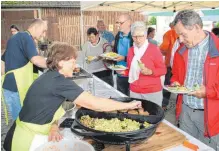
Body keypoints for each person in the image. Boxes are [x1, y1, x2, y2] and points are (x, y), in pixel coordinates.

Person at [3, 42, 142, 151]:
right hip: (26, 141)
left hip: (27, 133)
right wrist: (129, 105)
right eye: (73, 62)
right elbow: (95, 104)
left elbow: (46, 110)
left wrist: (54, 126)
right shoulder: (58, 81)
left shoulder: (51, 76)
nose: (75, 66)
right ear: (61, 62)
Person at [171, 10, 219, 151]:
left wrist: (208, 92)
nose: (181, 39)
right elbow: (176, 75)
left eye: (183, 34)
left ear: (197, 27)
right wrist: (175, 82)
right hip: (186, 111)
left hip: (211, 115)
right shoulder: (182, 49)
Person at [1, 19, 47, 121]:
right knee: (21, 122)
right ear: (36, 27)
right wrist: (55, 64)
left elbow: (2, 61)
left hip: (10, 87)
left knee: (19, 119)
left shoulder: (15, 38)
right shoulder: (26, 37)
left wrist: (7, 78)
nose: (43, 35)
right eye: (43, 31)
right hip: (16, 88)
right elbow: (36, 60)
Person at [119, 21, 166, 106]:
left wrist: (151, 72)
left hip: (152, 92)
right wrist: (123, 72)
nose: (138, 39)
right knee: (137, 117)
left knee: (153, 116)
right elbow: (130, 69)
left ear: (146, 35)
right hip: (134, 91)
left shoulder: (154, 49)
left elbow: (163, 70)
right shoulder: (131, 50)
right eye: (135, 36)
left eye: (141, 36)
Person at [160, 22, 178, 110]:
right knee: (180, 86)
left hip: (169, 64)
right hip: (180, 65)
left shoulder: (169, 33)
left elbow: (163, 48)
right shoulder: (183, 33)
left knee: (167, 85)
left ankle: (164, 105)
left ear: (171, 26)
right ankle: (179, 107)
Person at [113, 14, 133, 96]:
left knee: (133, 99)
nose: (118, 25)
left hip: (132, 73)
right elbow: (115, 51)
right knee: (121, 97)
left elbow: (139, 56)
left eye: (121, 23)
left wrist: (124, 58)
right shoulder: (118, 35)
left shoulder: (135, 36)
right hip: (120, 72)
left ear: (129, 22)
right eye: (117, 23)